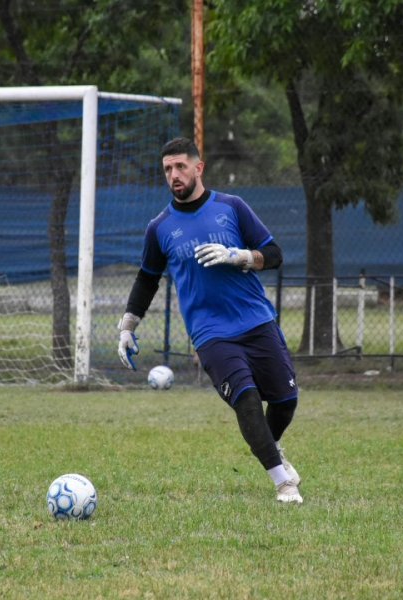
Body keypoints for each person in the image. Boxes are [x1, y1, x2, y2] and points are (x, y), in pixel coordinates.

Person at [117, 137, 302, 504]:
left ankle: (270, 445)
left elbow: (275, 254)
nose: (174, 175)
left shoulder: (232, 207)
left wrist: (239, 256)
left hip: (256, 320)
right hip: (210, 333)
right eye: (168, 169)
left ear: (198, 168)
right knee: (246, 399)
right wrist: (127, 327)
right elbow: (147, 278)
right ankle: (284, 482)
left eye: (181, 166)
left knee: (285, 401)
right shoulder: (160, 227)